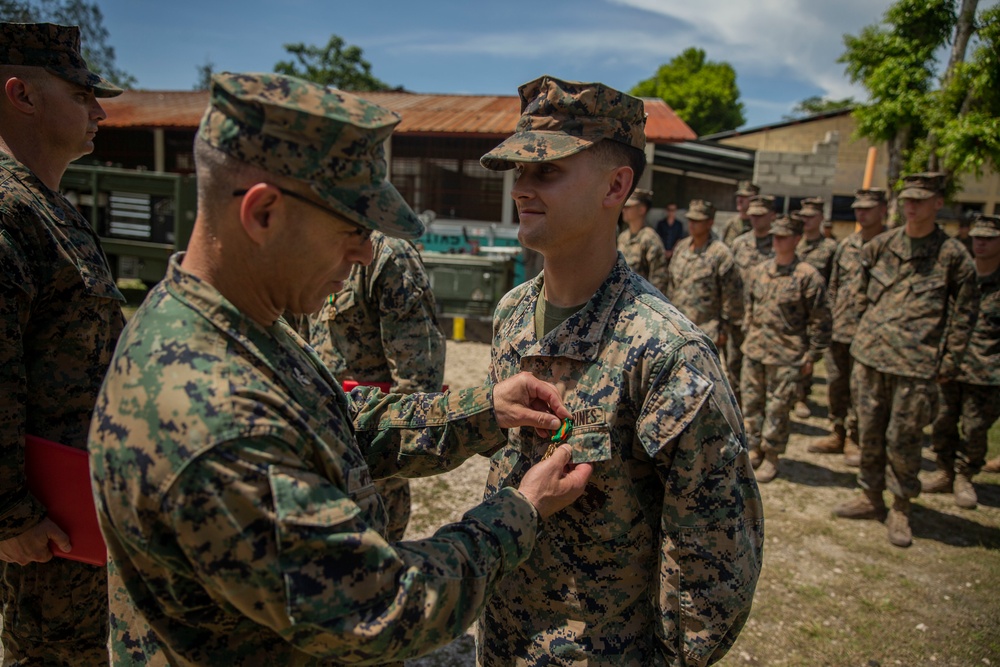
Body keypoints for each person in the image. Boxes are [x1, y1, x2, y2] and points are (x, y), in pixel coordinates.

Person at [88, 72, 593, 665]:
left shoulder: (239, 325)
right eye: (353, 229)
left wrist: (483, 410)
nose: (362, 254)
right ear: (264, 213)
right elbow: (382, 607)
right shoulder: (208, 414)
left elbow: (339, 425)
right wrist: (520, 509)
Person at [477, 74, 763, 666]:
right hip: (503, 636)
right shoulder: (512, 312)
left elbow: (712, 552)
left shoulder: (665, 351)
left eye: (547, 171)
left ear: (616, 186)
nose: (522, 190)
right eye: (518, 172)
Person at [0, 22, 124, 664]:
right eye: (81, 94)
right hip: (40, 523)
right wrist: (11, 515)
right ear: (21, 94)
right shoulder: (8, 211)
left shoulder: (50, 208)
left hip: (75, 509)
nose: (99, 110)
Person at [835, 172, 978, 548]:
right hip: (870, 358)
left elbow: (964, 315)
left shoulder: (953, 256)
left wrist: (949, 361)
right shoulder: (881, 246)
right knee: (868, 431)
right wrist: (860, 336)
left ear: (937, 203)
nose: (911, 205)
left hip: (915, 366)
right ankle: (870, 495)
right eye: (907, 199)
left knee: (904, 439)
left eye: (919, 199)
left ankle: (900, 506)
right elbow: (859, 296)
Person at [307, 230, 446, 541]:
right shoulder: (313, 243)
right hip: (322, 453)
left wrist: (384, 468)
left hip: (370, 469)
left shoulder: (387, 255)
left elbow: (418, 383)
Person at [741, 215, 831, 482]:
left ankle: (772, 456)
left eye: (783, 236)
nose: (776, 240)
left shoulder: (807, 276)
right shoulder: (759, 270)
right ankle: (753, 449)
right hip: (755, 350)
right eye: (774, 235)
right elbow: (750, 305)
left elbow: (820, 319)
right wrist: (749, 330)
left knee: (778, 409)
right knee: (751, 405)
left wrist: (812, 354)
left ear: (796, 239)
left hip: (787, 354)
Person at [925, 214, 1000, 508]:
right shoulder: (957, 275)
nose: (980, 243)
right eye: (977, 237)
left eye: (989, 238)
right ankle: (944, 470)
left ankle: (965, 476)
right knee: (943, 421)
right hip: (949, 365)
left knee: (975, 428)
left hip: (987, 371)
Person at [809, 188, 888, 466]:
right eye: (858, 208)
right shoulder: (846, 245)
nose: (861, 213)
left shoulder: (890, 245)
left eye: (868, 208)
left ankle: (855, 438)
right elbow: (833, 286)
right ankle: (837, 431)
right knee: (836, 383)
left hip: (872, 333)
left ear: (883, 210)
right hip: (841, 328)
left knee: (862, 389)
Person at [666, 199, 743, 357]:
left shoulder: (720, 253)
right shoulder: (681, 247)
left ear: (710, 223)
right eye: (690, 220)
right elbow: (672, 285)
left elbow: (731, 296)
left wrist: (724, 329)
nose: (692, 224)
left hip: (706, 332)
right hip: (678, 328)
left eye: (698, 221)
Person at [727, 193, 777, 408]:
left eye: (761, 215)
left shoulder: (778, 245)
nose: (755, 219)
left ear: (772, 216)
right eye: (753, 215)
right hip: (737, 315)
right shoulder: (739, 243)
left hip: (764, 320)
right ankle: (737, 409)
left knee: (763, 372)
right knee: (733, 365)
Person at [792, 198, 838, 419]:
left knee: (809, 353)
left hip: (817, 307)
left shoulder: (830, 248)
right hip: (795, 308)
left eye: (811, 216)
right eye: (804, 216)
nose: (807, 220)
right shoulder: (794, 243)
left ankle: (802, 396)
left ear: (821, 218)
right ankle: (794, 394)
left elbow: (835, 281)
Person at [617, 187, 669, 293]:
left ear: (642, 209)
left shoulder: (650, 239)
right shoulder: (623, 237)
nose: (624, 209)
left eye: (629, 206)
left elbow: (659, 280)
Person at [721, 180, 760, 247]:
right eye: (738, 196)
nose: (739, 200)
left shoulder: (758, 225)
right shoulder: (730, 224)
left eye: (744, 197)